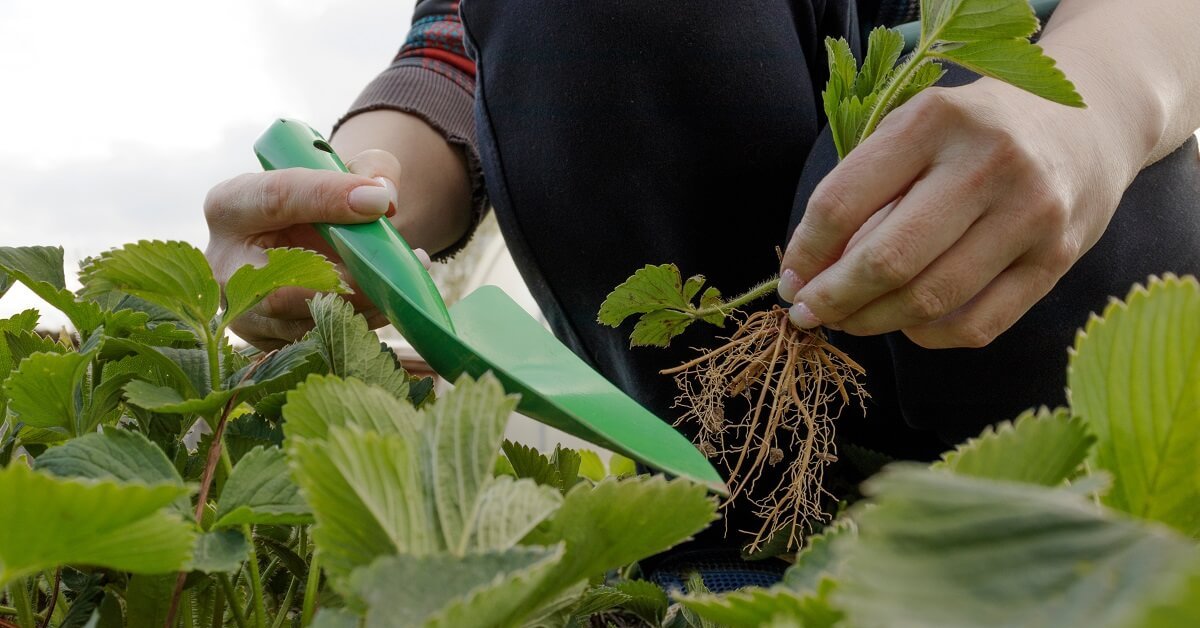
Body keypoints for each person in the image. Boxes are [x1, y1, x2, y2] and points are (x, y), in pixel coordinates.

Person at [204, 0, 1200, 589]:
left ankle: (1077, 544)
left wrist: (1101, 102)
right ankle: (733, 557)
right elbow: (461, 49)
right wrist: (352, 199)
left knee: (957, 65)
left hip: (1064, 258)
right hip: (707, 397)